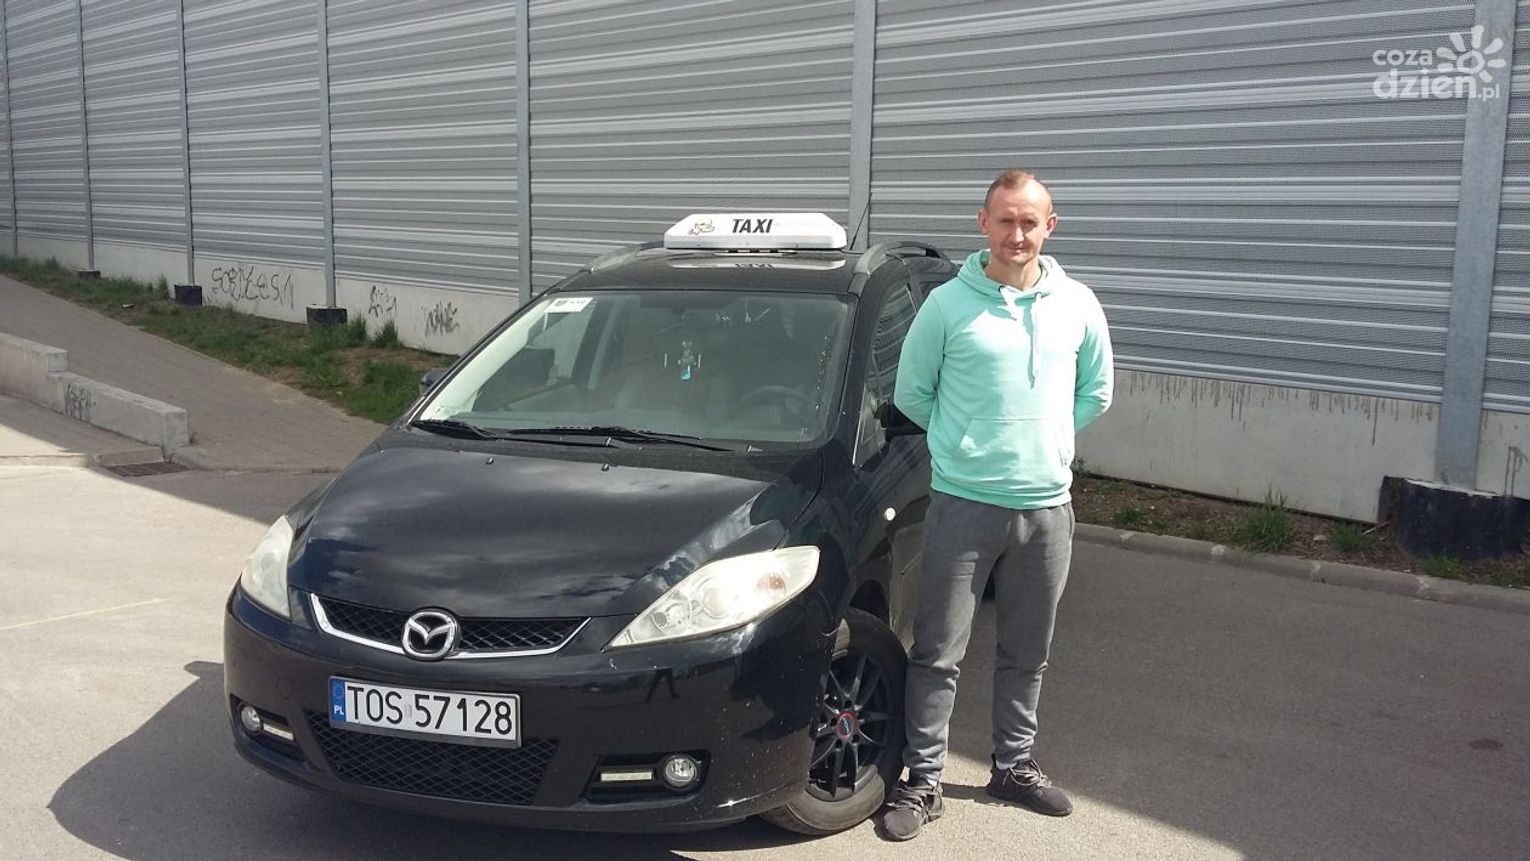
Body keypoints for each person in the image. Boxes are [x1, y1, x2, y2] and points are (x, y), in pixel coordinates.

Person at [879, 169, 1114, 840]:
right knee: (938, 652)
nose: (1017, 233)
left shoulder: (1078, 305)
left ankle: (1012, 766)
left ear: (1050, 226)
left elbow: (1095, 392)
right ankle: (923, 779)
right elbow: (913, 392)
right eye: (1005, 219)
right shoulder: (947, 306)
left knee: (1027, 651)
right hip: (963, 505)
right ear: (982, 223)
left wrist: (1042, 442)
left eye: (1029, 221)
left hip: (1047, 511)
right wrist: (967, 444)